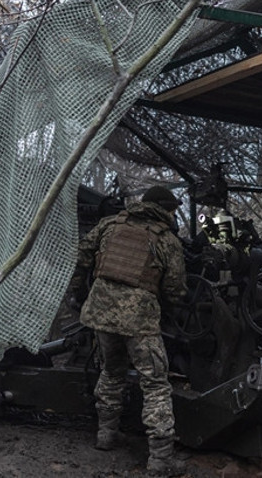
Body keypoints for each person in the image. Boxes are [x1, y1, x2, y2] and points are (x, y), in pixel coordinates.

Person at [78, 185, 188, 476]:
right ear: (166, 209)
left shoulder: (110, 225)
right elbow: (175, 288)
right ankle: (161, 460)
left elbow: (82, 256)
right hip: (139, 321)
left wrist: (81, 293)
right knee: (155, 383)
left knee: (111, 371)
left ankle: (106, 435)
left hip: (101, 313)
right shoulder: (165, 239)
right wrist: (174, 308)